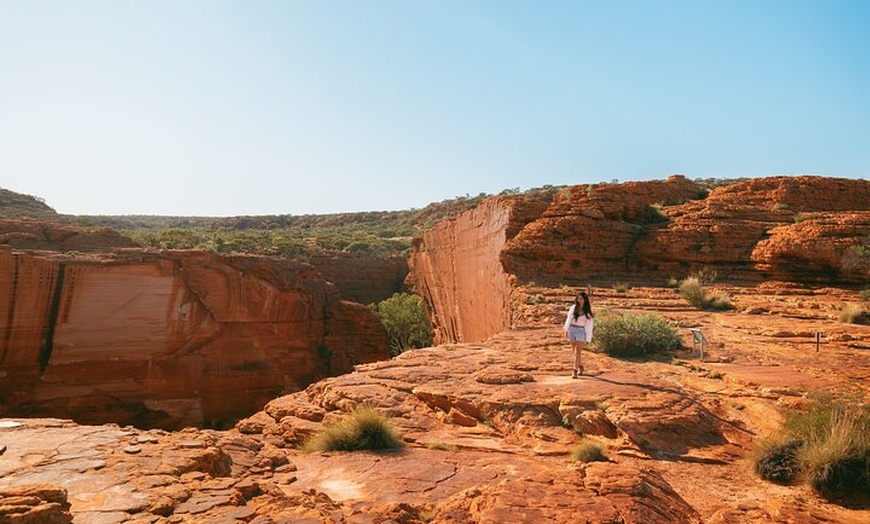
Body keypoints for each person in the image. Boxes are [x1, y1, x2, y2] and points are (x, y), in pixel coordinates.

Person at [564, 290, 594, 378]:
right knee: (575, 352)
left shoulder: (587, 312)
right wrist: (566, 329)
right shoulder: (573, 308)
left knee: (578, 351)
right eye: (578, 298)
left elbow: (589, 326)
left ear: (585, 300)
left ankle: (574, 370)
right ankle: (580, 366)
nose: (579, 300)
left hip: (581, 331)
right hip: (572, 329)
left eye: (581, 299)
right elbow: (568, 319)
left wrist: (588, 338)